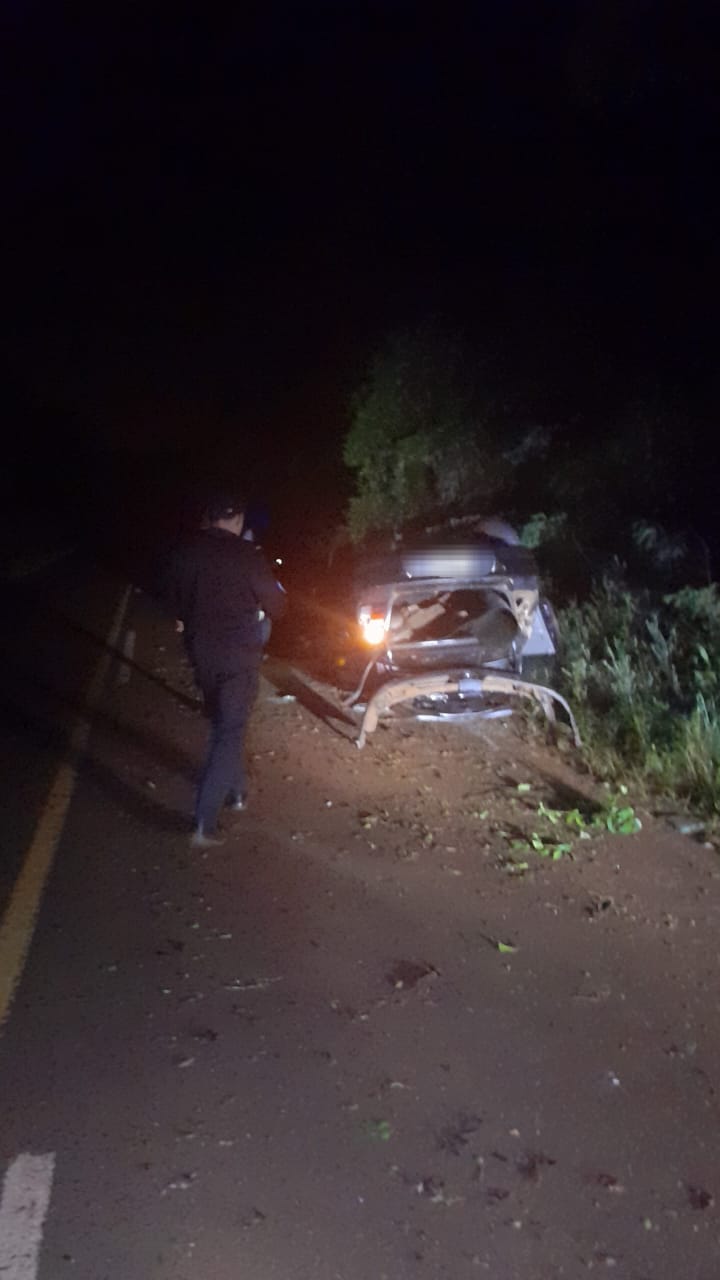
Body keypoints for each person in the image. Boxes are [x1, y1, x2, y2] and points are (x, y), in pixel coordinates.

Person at [164, 491, 286, 849]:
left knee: (224, 721)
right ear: (236, 522)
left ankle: (237, 792)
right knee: (229, 729)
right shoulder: (248, 556)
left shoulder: (186, 553)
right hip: (239, 657)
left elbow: (171, 599)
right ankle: (204, 822)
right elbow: (278, 606)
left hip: (203, 655)